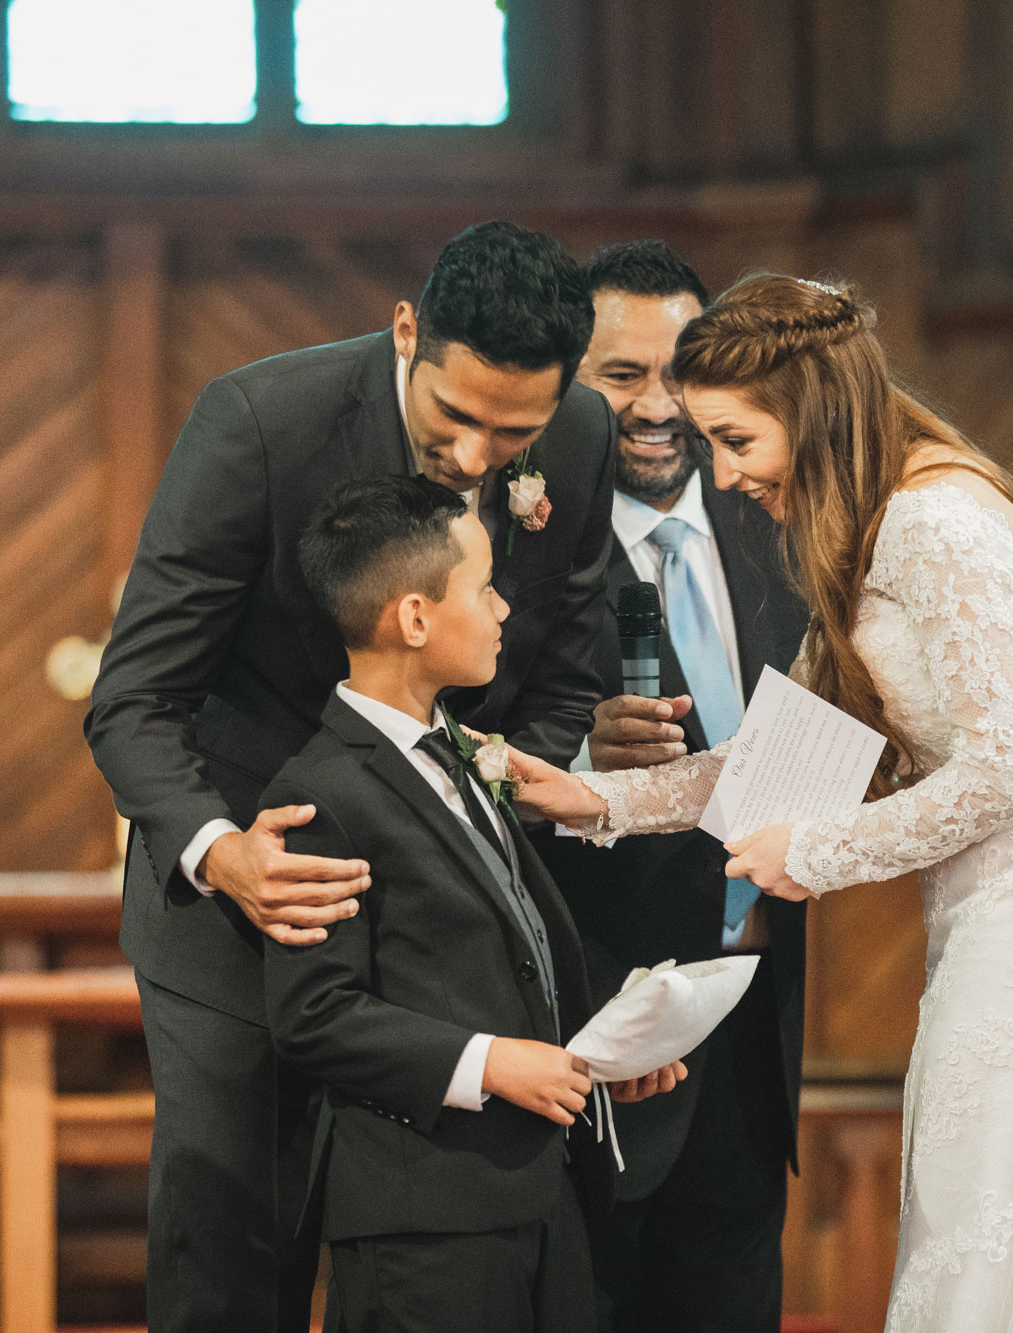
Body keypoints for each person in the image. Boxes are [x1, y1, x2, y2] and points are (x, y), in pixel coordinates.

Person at [511, 274, 1013, 1330]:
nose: (722, 475)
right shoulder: (873, 528)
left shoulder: (930, 522)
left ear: (810, 410)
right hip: (1001, 910)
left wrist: (811, 854)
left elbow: (1008, 771)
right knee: (978, 1208)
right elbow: (783, 756)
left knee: (1006, 1216)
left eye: (734, 439)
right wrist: (588, 797)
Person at [84, 222, 618, 1333]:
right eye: (454, 418)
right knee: (237, 1260)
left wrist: (488, 781)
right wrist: (220, 852)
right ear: (406, 331)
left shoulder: (575, 437)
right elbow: (134, 698)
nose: (477, 460)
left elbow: (566, 676)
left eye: (509, 433)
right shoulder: (260, 423)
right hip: (246, 916)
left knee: (451, 1271)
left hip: (452, 946)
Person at [264, 475, 684, 1333]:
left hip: (537, 1191)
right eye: (486, 587)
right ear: (414, 618)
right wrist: (493, 1063)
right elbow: (315, 1013)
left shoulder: (466, 753)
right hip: (425, 1217)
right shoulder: (321, 792)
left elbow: (505, 950)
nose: (502, 611)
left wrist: (600, 1052)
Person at [535, 240, 809, 1332]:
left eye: (676, 374)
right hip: (600, 1029)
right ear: (568, 382)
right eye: (619, 376)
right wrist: (575, 754)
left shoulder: (783, 528)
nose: (656, 407)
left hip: (755, 1025)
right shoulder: (521, 552)